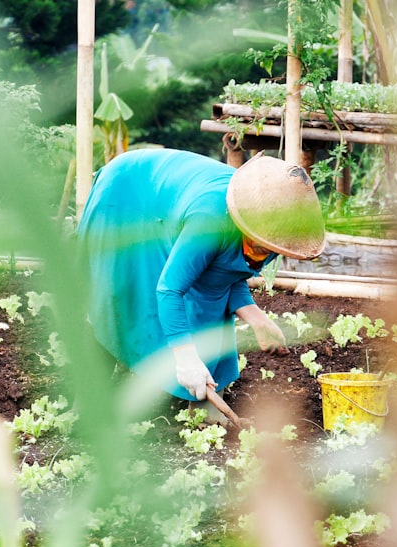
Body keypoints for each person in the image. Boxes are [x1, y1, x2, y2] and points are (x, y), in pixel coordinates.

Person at [77, 148, 325, 414]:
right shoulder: (210, 219)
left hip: (167, 204)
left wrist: (257, 319)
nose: (269, 250)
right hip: (128, 199)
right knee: (118, 294)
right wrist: (185, 358)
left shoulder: (276, 229)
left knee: (206, 303)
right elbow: (170, 289)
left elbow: (227, 271)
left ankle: (205, 396)